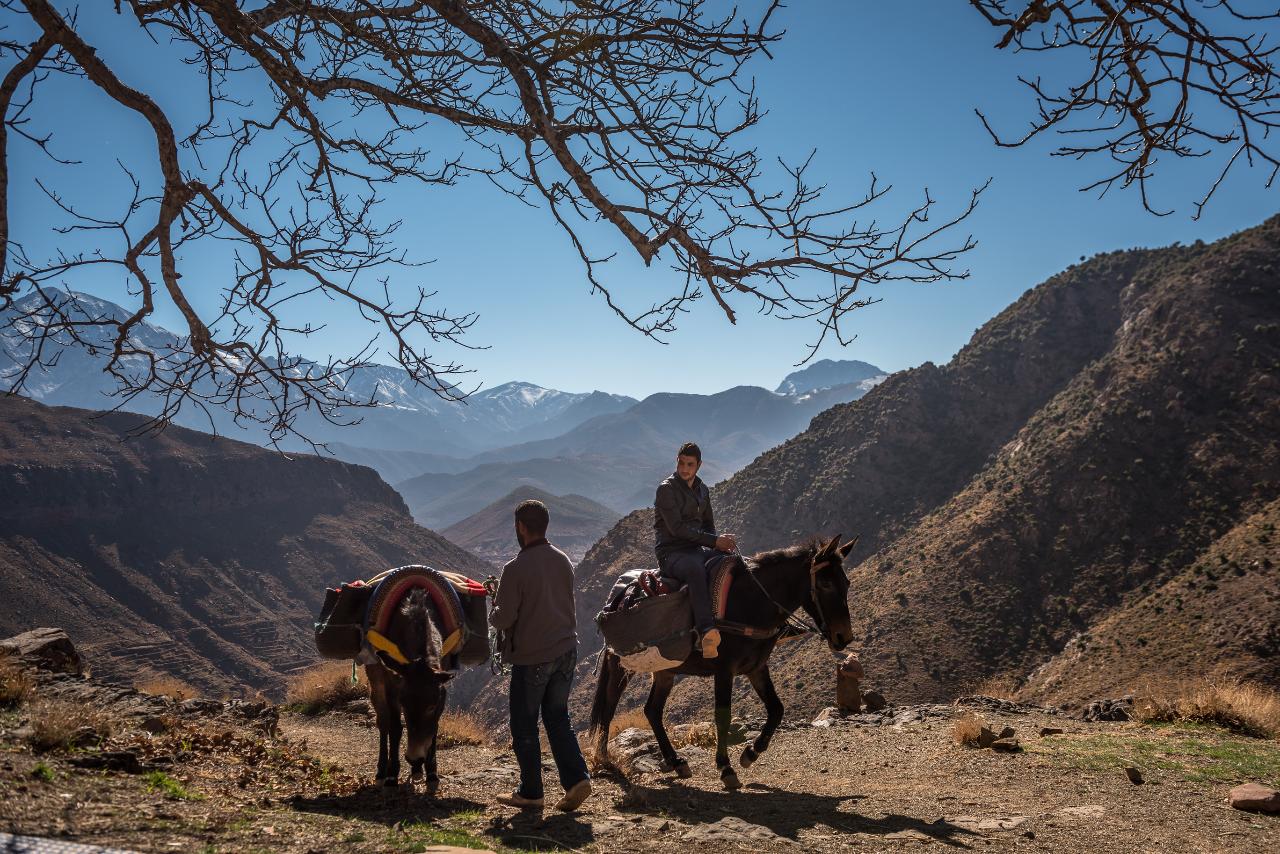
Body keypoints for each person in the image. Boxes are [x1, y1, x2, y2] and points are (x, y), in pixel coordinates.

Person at [489, 499, 592, 812]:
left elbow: (502, 619)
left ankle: (531, 791)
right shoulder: (563, 560)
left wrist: (494, 608)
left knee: (524, 724)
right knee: (558, 717)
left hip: (533, 658)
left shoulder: (515, 568)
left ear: (521, 527)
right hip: (566, 651)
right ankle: (576, 779)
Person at [654, 442, 737, 659]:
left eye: (689, 464)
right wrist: (714, 541)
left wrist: (719, 543)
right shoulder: (666, 489)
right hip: (671, 553)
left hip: (696, 549)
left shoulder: (702, 490)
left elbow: (708, 525)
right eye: (681, 463)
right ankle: (706, 631)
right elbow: (677, 529)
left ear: (698, 465)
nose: (684, 468)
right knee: (695, 570)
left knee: (729, 560)